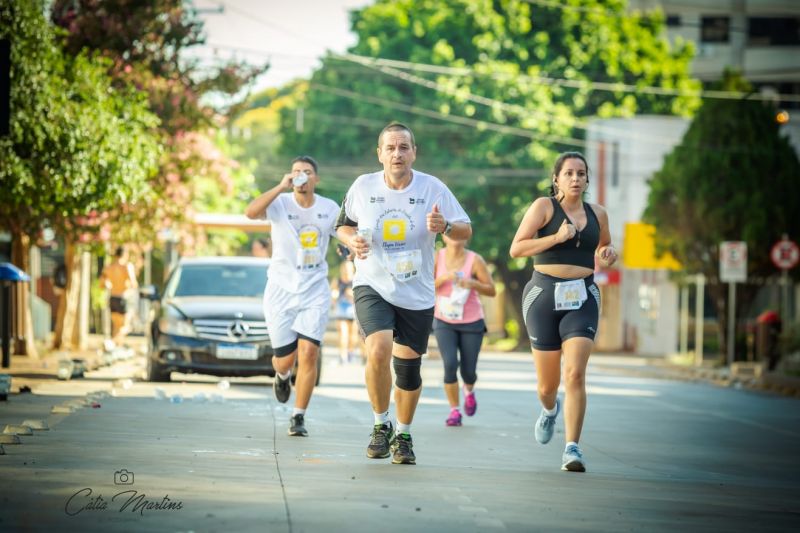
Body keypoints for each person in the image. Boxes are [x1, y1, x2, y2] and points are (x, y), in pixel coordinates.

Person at [336, 122, 472, 465]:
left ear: (414, 152)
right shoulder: (362, 187)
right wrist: (351, 240)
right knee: (378, 349)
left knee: (408, 371)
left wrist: (446, 227)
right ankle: (381, 425)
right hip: (373, 283)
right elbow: (342, 225)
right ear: (379, 154)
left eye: (404, 148)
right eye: (390, 148)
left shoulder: (433, 188)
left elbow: (465, 229)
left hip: (417, 291)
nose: (397, 154)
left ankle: (405, 434)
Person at [509, 151, 618, 473]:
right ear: (556, 178)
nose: (575, 178)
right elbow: (517, 248)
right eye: (568, 173)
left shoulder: (598, 213)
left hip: (583, 296)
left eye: (581, 173)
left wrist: (607, 253)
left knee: (575, 374)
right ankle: (548, 409)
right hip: (543, 295)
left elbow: (604, 247)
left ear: (587, 179)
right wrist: (556, 237)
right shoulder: (544, 208)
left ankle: (572, 448)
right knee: (547, 386)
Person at [245, 155, 340, 437]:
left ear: (316, 179)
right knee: (285, 360)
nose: (301, 176)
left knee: (309, 352)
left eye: (307, 172)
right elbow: (251, 213)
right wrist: (279, 186)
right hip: (281, 289)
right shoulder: (279, 203)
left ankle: (298, 416)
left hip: (314, 288)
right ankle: (283, 375)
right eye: (296, 171)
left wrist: (346, 247)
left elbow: (344, 232)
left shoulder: (328, 208)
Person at [433, 234, 496, 427]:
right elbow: (425, 286)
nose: (456, 238)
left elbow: (492, 290)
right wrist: (443, 278)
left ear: (466, 237)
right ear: (444, 236)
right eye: (452, 234)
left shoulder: (475, 260)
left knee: (469, 371)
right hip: (444, 319)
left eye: (461, 235)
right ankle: (454, 411)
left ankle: (469, 390)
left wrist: (473, 283)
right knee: (450, 364)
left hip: (471, 321)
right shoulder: (437, 257)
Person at [99, 246, 138, 348]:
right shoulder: (127, 266)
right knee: (126, 326)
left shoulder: (109, 267)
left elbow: (102, 284)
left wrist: (110, 284)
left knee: (116, 326)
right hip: (123, 298)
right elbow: (134, 283)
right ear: (125, 255)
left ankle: (116, 348)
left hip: (112, 298)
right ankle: (111, 342)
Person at [331, 247, 360, 365]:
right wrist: (334, 296)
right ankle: (343, 356)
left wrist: (352, 296)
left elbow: (360, 298)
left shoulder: (357, 281)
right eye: (345, 269)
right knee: (343, 335)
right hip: (341, 312)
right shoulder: (337, 280)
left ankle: (350, 353)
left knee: (353, 337)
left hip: (353, 313)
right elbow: (332, 294)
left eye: (349, 270)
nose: (347, 272)